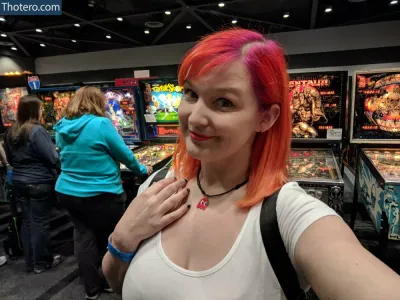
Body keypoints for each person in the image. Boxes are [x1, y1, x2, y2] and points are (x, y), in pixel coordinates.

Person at [102, 29, 400, 300]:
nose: (194, 118)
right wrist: (121, 240)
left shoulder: (287, 215)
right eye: (191, 93)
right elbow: (117, 282)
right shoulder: (157, 187)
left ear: (265, 118)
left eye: (224, 102)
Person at [54, 86, 152, 300]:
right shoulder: (100, 124)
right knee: (112, 237)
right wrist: (143, 170)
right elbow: (124, 154)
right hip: (102, 192)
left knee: (82, 236)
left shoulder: (61, 126)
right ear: (96, 103)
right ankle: (110, 282)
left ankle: (91, 288)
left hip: (67, 192)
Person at [4, 95, 62, 274]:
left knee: (27, 222)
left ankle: (30, 262)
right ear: (33, 110)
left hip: (19, 181)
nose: (42, 111)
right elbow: (52, 158)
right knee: (40, 223)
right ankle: (42, 262)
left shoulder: (12, 130)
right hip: (39, 182)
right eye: (40, 108)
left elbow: (10, 157)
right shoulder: (36, 131)